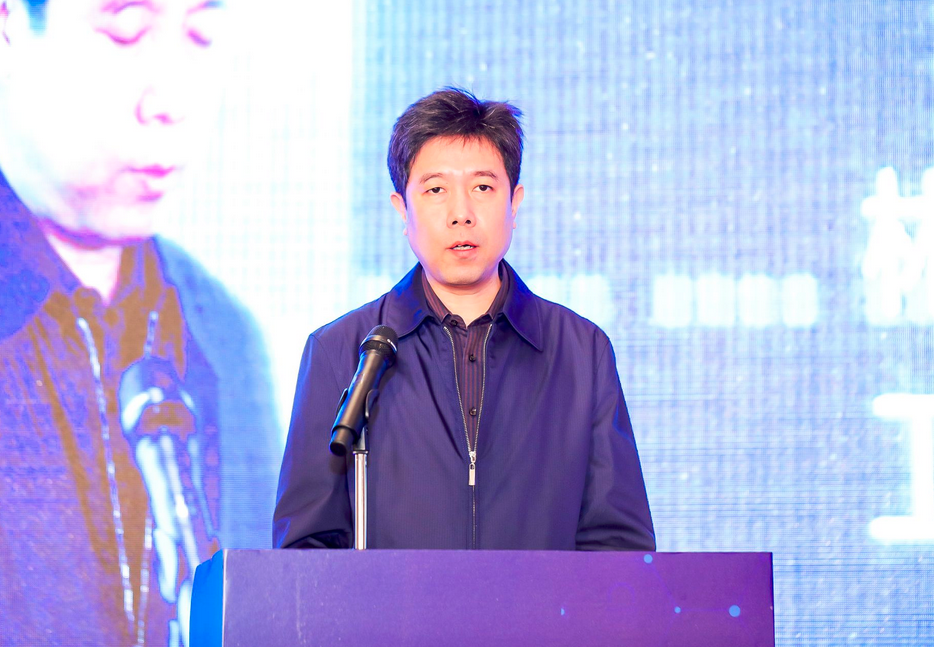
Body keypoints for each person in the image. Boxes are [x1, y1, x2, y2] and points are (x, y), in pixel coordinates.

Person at [0, 1, 280, 645]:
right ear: (10, 22)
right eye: (126, 32)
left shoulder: (227, 339)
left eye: (202, 35)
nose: (171, 102)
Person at [274, 88, 655, 552]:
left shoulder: (581, 351)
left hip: (542, 606)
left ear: (514, 204)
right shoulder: (342, 350)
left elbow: (618, 548)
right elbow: (306, 548)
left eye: (482, 188)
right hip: (389, 607)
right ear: (402, 209)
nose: (461, 214)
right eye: (436, 190)